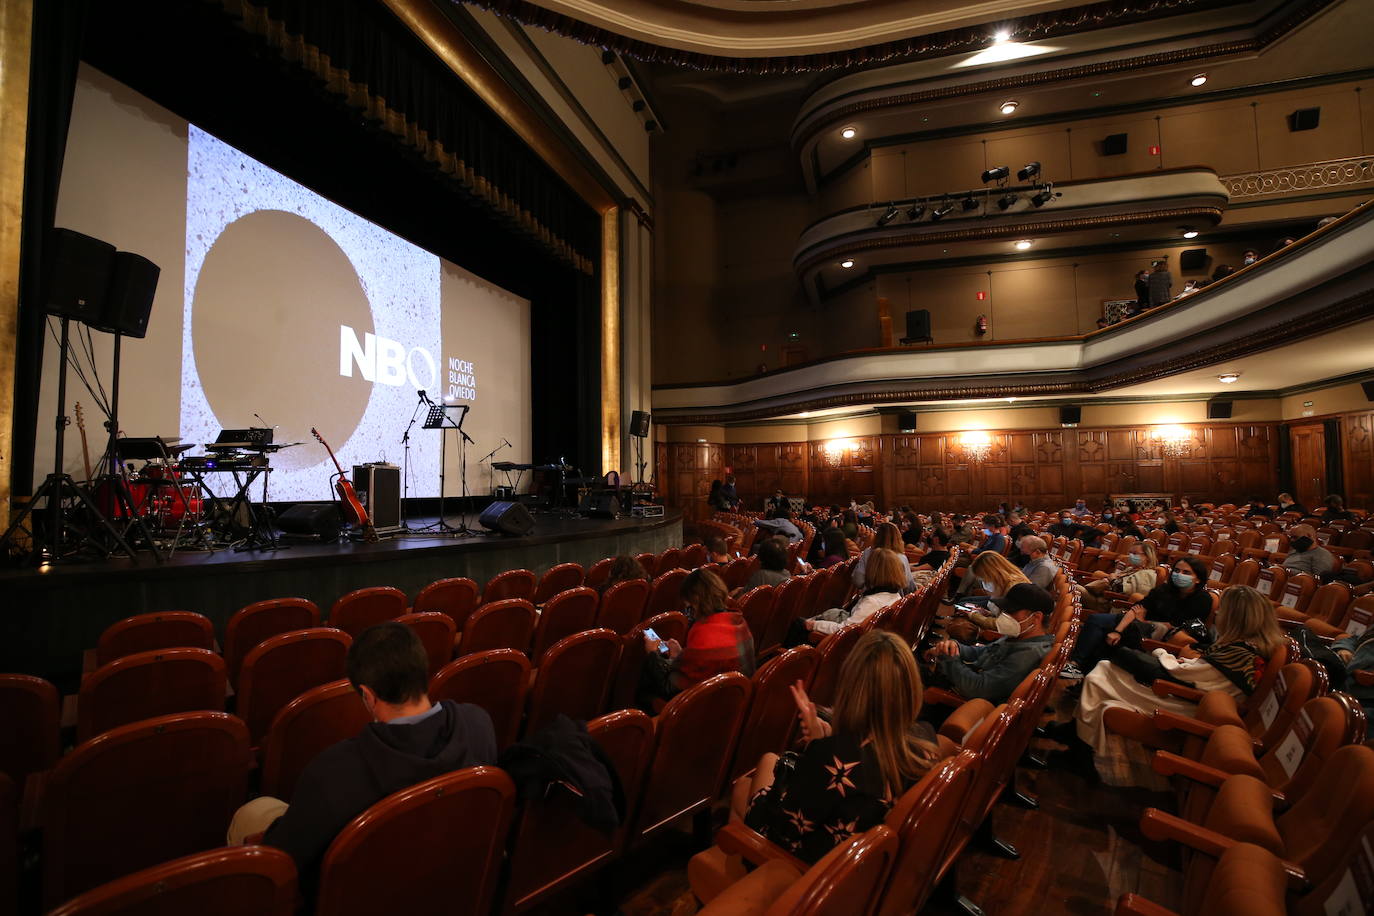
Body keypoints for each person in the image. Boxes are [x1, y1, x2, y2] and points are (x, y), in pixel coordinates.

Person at [229, 623, 498, 892]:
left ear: (368, 696)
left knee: (253, 811)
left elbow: (284, 860)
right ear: (422, 671)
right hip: (448, 882)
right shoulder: (479, 724)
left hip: (362, 894)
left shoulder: (332, 773)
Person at [734, 630, 941, 864]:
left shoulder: (832, 758)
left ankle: (739, 885)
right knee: (769, 763)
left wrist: (819, 748)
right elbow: (867, 759)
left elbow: (783, 831)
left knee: (747, 782)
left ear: (850, 690)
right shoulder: (925, 739)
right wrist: (823, 741)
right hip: (860, 859)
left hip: (807, 869)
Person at [1064, 585, 1283, 776]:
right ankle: (1078, 740)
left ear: (1236, 617)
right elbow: (1198, 673)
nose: (1217, 613)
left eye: (1223, 609)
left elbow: (1183, 674)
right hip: (1188, 694)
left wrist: (1162, 653)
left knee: (1103, 671)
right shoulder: (1248, 647)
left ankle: (1080, 744)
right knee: (1104, 670)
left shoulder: (1241, 654)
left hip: (1188, 706)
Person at [1061, 555, 1211, 680]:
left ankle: (1084, 672)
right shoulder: (1165, 589)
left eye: (1186, 572)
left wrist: (1142, 621)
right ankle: (1076, 665)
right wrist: (1118, 631)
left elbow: (1174, 627)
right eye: (1177, 571)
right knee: (1098, 622)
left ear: (1198, 579)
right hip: (1137, 623)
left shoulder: (1202, 599)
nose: (1179, 575)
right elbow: (1137, 608)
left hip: (1157, 635)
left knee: (1111, 636)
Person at [641, 568, 754, 702]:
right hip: (736, 700)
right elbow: (704, 665)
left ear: (697, 603)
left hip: (706, 708)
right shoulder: (739, 621)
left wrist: (653, 654)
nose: (690, 615)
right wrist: (682, 654)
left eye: (689, 608)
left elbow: (669, 688)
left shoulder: (705, 636)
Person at [924, 593, 1056, 702]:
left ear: (1036, 617)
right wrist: (954, 646)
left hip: (963, 702)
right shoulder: (1020, 636)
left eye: (1011, 612)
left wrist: (948, 656)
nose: (1005, 616)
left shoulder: (1028, 654)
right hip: (961, 678)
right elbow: (983, 652)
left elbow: (977, 689)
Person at [796, 548, 906, 639]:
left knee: (798, 624)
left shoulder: (872, 602)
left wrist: (814, 625)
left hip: (846, 644)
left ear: (874, 571)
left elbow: (845, 631)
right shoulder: (896, 596)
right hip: (864, 639)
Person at [1076, 540, 1159, 612]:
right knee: (1071, 586)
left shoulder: (1147, 574)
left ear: (1147, 557)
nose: (1131, 556)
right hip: (1100, 597)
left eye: (1135, 553)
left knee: (1073, 589)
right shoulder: (1130, 569)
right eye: (1130, 553)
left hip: (1110, 605)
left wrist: (1112, 580)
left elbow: (1124, 591)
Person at [853, 522, 917, 593]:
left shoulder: (868, 553)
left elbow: (858, 581)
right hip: (894, 601)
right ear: (898, 538)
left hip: (870, 598)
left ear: (877, 536)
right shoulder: (902, 557)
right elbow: (909, 587)